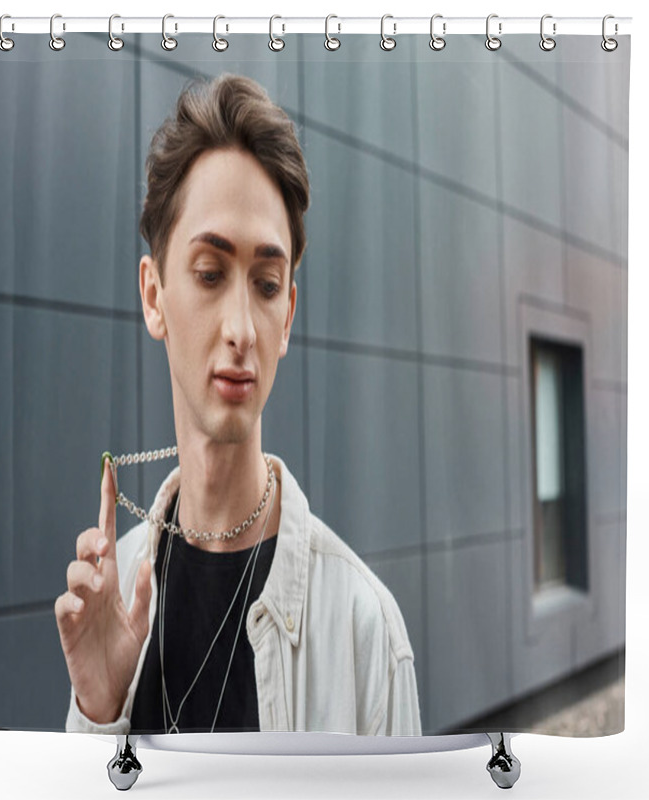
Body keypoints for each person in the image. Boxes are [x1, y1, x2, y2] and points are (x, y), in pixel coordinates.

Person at [55, 73, 421, 737]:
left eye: (267, 283)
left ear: (288, 317)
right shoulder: (116, 590)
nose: (241, 328)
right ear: (153, 295)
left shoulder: (365, 629)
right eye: (209, 273)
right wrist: (99, 714)